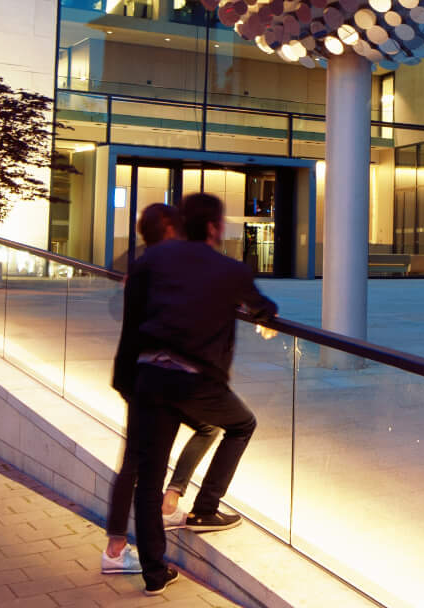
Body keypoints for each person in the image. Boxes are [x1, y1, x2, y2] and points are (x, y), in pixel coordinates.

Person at [117, 191, 278, 595]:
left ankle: (154, 573)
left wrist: (127, 381)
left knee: (148, 478)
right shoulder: (230, 269)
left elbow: (132, 319)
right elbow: (263, 306)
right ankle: (205, 508)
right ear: (212, 226)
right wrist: (265, 319)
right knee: (241, 424)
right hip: (196, 382)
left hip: (149, 376)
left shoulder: (152, 260)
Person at [101, 202, 223, 575]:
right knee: (144, 460)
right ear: (168, 230)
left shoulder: (144, 265)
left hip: (135, 373)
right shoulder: (158, 268)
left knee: (138, 459)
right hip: (150, 375)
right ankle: (126, 544)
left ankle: (127, 539)